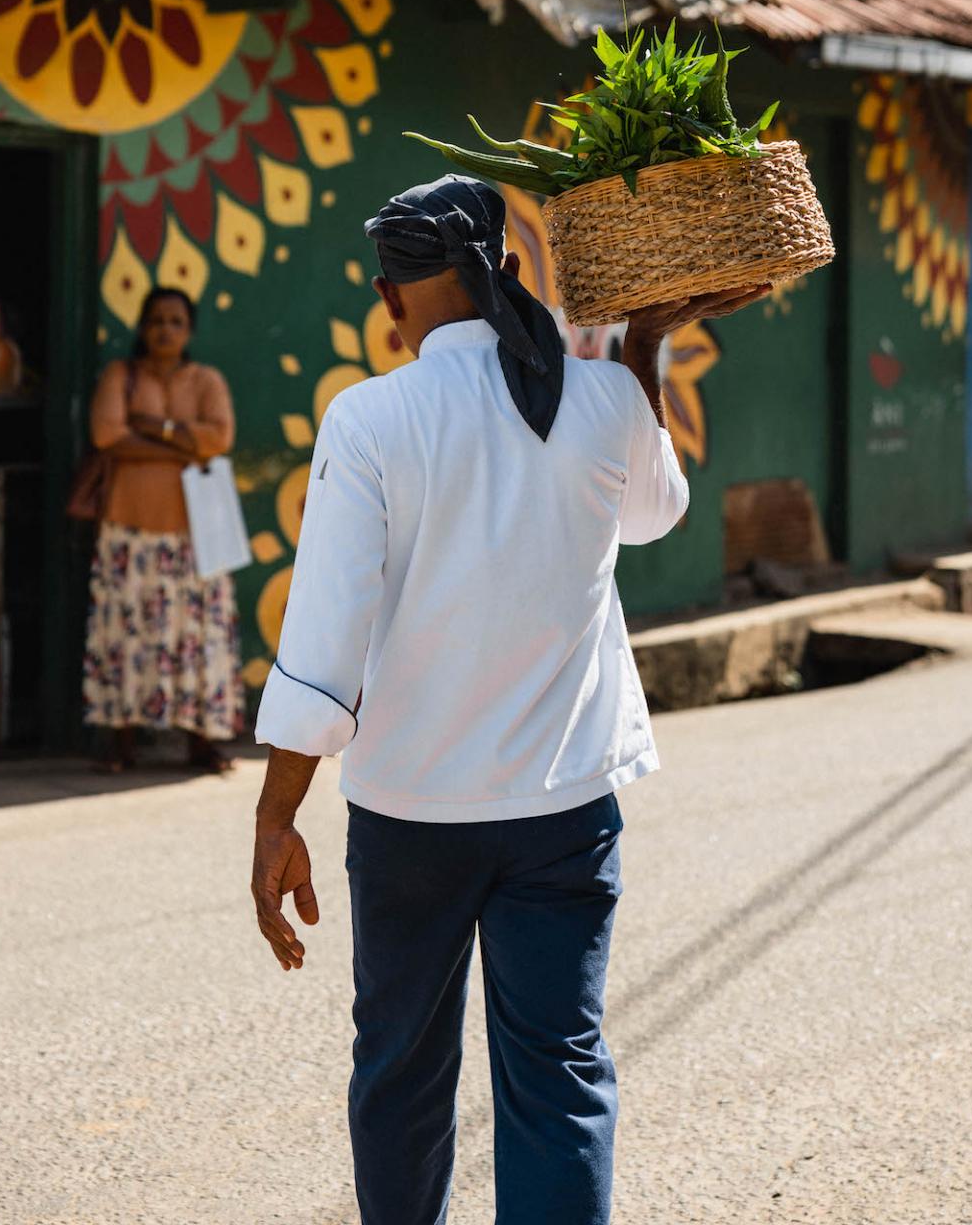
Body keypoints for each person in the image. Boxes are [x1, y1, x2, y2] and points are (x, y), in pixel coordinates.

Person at [250, 174, 768, 1225]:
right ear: (508, 276)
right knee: (557, 1076)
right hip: (565, 814)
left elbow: (325, 634)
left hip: (411, 816)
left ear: (391, 300)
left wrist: (276, 812)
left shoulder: (370, 420)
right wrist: (638, 351)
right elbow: (657, 512)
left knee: (400, 1074)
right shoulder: (598, 397)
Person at [83, 286, 243, 775]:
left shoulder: (206, 379)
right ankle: (121, 742)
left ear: (189, 330)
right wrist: (181, 441)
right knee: (125, 635)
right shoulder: (120, 375)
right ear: (142, 327)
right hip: (127, 531)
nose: (165, 330)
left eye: (176, 321)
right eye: (156, 320)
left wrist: (150, 427)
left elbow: (220, 439)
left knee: (198, 636)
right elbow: (106, 435)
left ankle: (201, 742)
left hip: (196, 535)